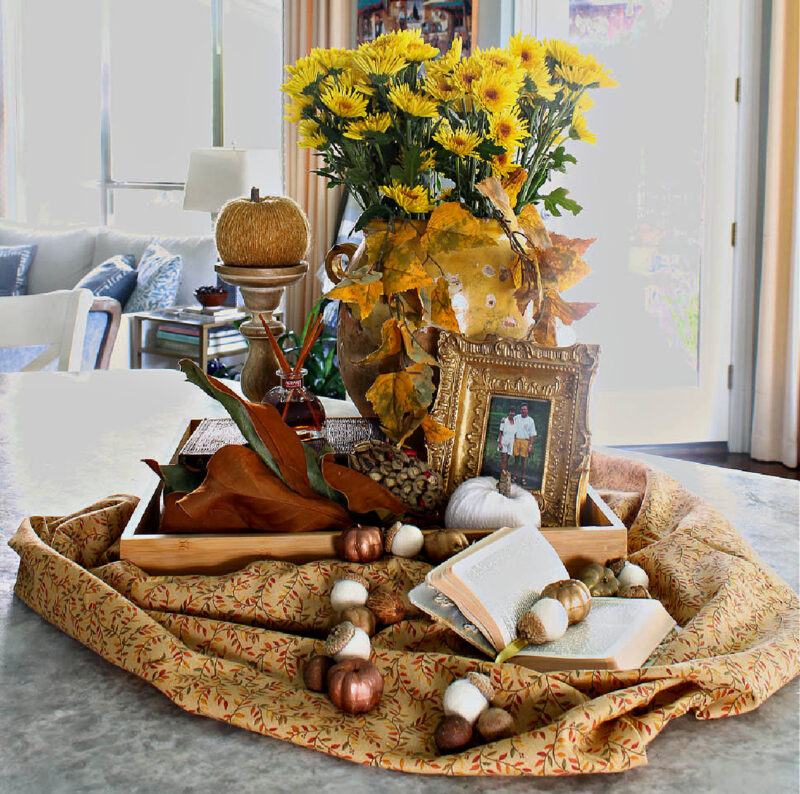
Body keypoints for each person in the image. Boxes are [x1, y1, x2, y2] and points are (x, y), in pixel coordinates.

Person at [512, 403, 537, 486]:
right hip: (516, 440)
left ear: (527, 410)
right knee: (516, 460)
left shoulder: (531, 420)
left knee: (523, 461)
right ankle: (515, 476)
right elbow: (510, 423)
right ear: (520, 410)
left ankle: (523, 478)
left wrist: (530, 445)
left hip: (525, 441)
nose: (523, 411)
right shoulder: (516, 418)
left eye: (525, 409)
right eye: (522, 409)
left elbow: (532, 434)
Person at [496, 407, 517, 475]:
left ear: (515, 413)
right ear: (508, 412)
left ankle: (503, 472)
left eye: (513, 412)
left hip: (510, 443)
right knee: (504, 459)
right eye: (511, 411)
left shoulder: (515, 422)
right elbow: (500, 432)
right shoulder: (504, 421)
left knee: (506, 460)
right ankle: (502, 474)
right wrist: (500, 443)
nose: (512, 413)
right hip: (503, 442)